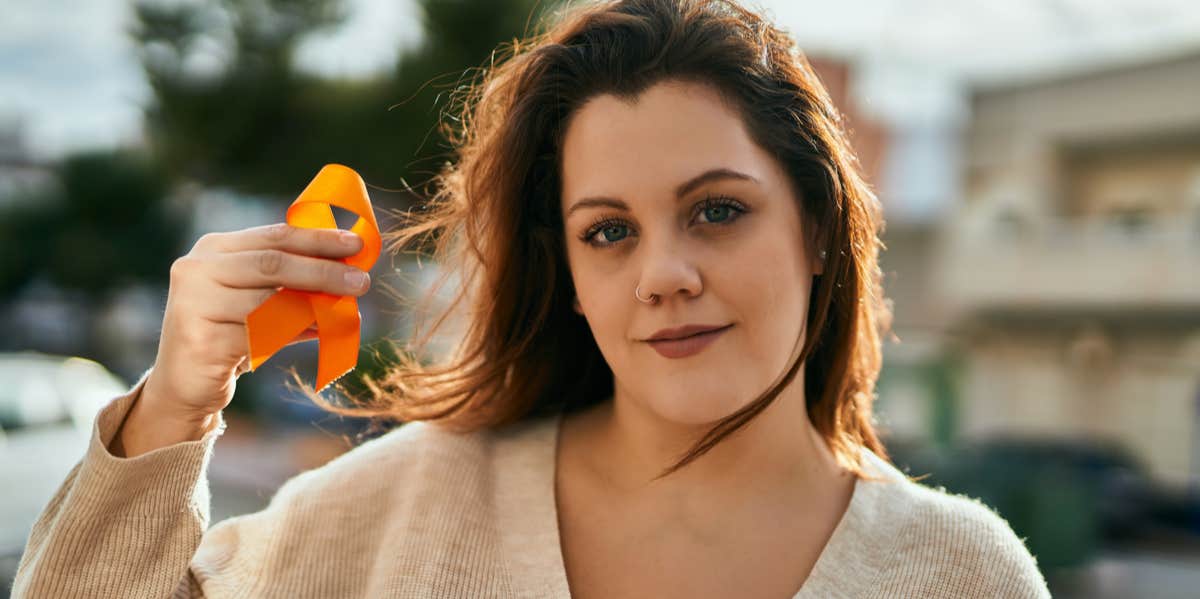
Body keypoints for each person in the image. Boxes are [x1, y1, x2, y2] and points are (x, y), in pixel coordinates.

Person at [13, 0, 1052, 597]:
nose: (664, 273)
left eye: (718, 210)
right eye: (609, 231)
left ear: (818, 226)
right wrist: (177, 406)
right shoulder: (405, 507)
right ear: (573, 276)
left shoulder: (960, 572)